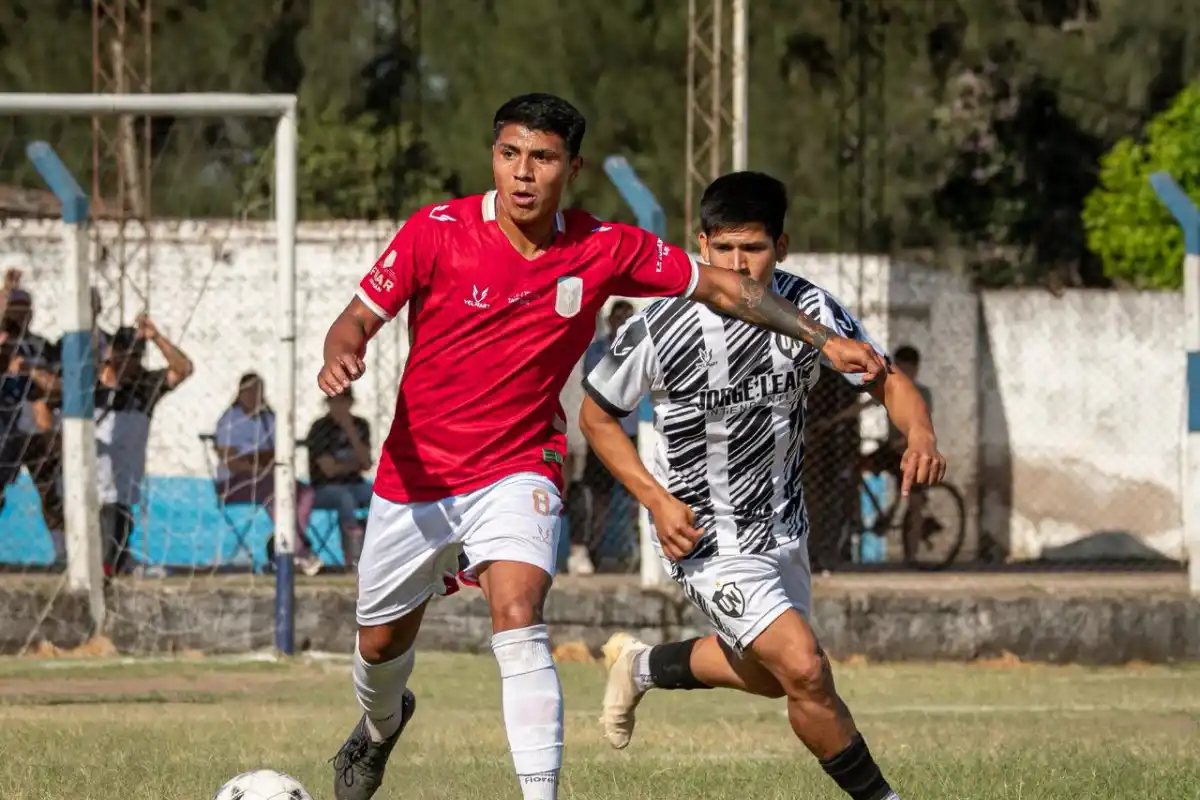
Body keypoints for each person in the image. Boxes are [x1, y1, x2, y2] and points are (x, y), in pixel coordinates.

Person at [317, 93, 887, 800]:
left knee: (519, 615)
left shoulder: (603, 246)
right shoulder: (435, 232)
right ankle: (380, 726)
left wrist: (820, 338)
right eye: (509, 154)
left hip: (518, 465)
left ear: (572, 166)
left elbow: (722, 287)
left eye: (543, 158)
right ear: (494, 157)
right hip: (417, 473)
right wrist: (341, 354)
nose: (522, 173)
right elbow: (354, 319)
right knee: (379, 646)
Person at [582, 172, 945, 800]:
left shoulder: (815, 314)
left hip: (783, 527)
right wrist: (655, 499)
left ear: (782, 245)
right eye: (722, 249)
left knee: (774, 676)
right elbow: (595, 415)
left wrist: (920, 435)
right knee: (805, 667)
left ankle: (640, 665)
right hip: (704, 535)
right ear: (700, 246)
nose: (736, 264)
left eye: (751, 248)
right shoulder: (662, 323)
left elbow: (887, 382)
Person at [95, 316, 193, 576]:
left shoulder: (145, 386)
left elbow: (183, 369)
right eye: (126, 356)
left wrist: (156, 337)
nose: (132, 363)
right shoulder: (90, 388)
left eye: (138, 356)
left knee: (114, 548)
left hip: (122, 489)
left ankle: (115, 569)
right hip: (87, 487)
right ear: (112, 356)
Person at [213, 372, 321, 576]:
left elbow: (279, 453)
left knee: (305, 492)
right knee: (273, 491)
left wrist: (263, 463)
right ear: (241, 392)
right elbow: (232, 462)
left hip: (269, 477)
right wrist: (260, 466)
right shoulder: (229, 420)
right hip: (235, 483)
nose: (255, 396)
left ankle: (282, 545)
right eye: (250, 391)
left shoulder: (269, 420)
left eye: (258, 391)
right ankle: (299, 551)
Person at [0, 269, 65, 563]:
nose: (21, 316)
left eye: (26, 310)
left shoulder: (40, 346)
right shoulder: (3, 343)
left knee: (52, 493)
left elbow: (57, 385)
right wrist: (7, 289)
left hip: (39, 430)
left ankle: (64, 554)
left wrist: (32, 372)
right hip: (6, 429)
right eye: (15, 310)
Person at [572, 300, 638, 574]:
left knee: (637, 494)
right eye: (619, 317)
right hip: (602, 433)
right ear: (610, 320)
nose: (623, 322)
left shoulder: (642, 345)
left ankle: (638, 553)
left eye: (628, 318)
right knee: (597, 497)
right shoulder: (598, 350)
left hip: (633, 432)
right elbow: (597, 383)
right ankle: (593, 551)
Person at [306, 385, 373, 570]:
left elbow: (366, 464)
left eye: (343, 402)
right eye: (334, 402)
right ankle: (353, 557)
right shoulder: (320, 428)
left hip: (355, 484)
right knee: (345, 498)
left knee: (380, 497)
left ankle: (380, 549)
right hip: (324, 488)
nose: (338, 407)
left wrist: (351, 432)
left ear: (351, 403)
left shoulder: (360, 426)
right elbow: (328, 470)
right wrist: (353, 464)